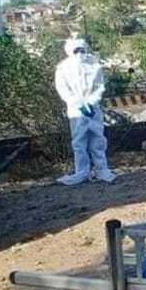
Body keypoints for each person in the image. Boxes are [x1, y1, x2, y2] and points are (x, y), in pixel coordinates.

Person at [54, 38, 117, 185]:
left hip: (93, 108)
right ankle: (82, 171)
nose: (80, 53)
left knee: (98, 139)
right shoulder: (63, 68)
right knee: (79, 141)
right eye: (76, 50)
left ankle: (102, 169)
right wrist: (78, 104)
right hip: (76, 110)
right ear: (69, 51)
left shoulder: (94, 65)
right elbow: (63, 89)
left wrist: (91, 102)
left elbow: (99, 86)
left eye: (82, 50)